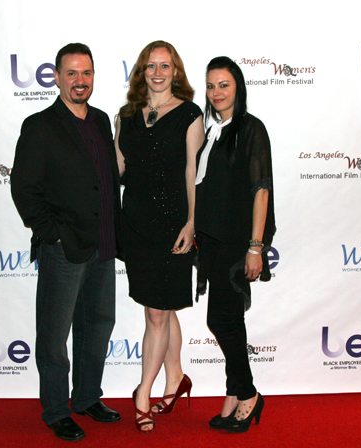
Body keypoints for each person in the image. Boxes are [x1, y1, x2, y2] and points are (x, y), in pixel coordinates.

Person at [11, 43, 123, 442]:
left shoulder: (101, 120)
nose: (80, 81)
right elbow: (24, 188)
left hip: (103, 245)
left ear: (94, 76)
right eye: (72, 73)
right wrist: (51, 234)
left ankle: (87, 397)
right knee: (55, 336)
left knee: (97, 327)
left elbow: (107, 180)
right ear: (56, 77)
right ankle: (57, 410)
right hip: (63, 249)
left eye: (86, 73)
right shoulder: (40, 125)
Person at [114, 40, 205, 433]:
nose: (157, 72)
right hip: (135, 222)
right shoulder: (126, 115)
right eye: (151, 66)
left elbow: (192, 173)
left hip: (173, 224)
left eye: (165, 66)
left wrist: (191, 223)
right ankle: (176, 377)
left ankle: (143, 394)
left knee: (156, 313)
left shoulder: (189, 114)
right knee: (161, 307)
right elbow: (117, 167)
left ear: (176, 72)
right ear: (141, 71)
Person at [194, 56, 276, 433]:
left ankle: (248, 394)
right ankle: (233, 392)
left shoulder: (250, 129)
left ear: (238, 87)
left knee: (221, 320)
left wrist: (255, 246)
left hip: (235, 243)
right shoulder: (214, 131)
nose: (216, 92)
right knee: (229, 320)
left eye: (223, 84)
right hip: (211, 242)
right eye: (211, 86)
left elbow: (261, 190)